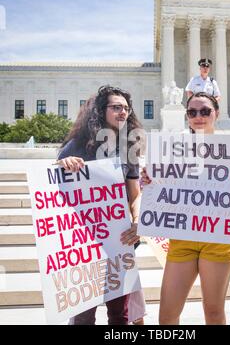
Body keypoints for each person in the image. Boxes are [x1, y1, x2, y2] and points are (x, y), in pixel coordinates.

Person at [141, 92, 230, 325]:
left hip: (220, 238)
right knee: (167, 316)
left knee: (213, 310)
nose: (198, 116)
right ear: (186, 116)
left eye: (205, 111)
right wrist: (149, 181)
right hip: (182, 239)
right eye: (192, 112)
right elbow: (160, 189)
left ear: (216, 114)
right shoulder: (171, 150)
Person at [56, 85, 144, 325]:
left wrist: (137, 221)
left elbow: (134, 195)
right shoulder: (78, 145)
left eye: (126, 108)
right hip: (84, 244)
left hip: (119, 240)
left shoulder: (129, 149)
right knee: (84, 315)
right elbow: (52, 182)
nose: (123, 112)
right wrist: (64, 164)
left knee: (120, 315)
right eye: (116, 107)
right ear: (101, 111)